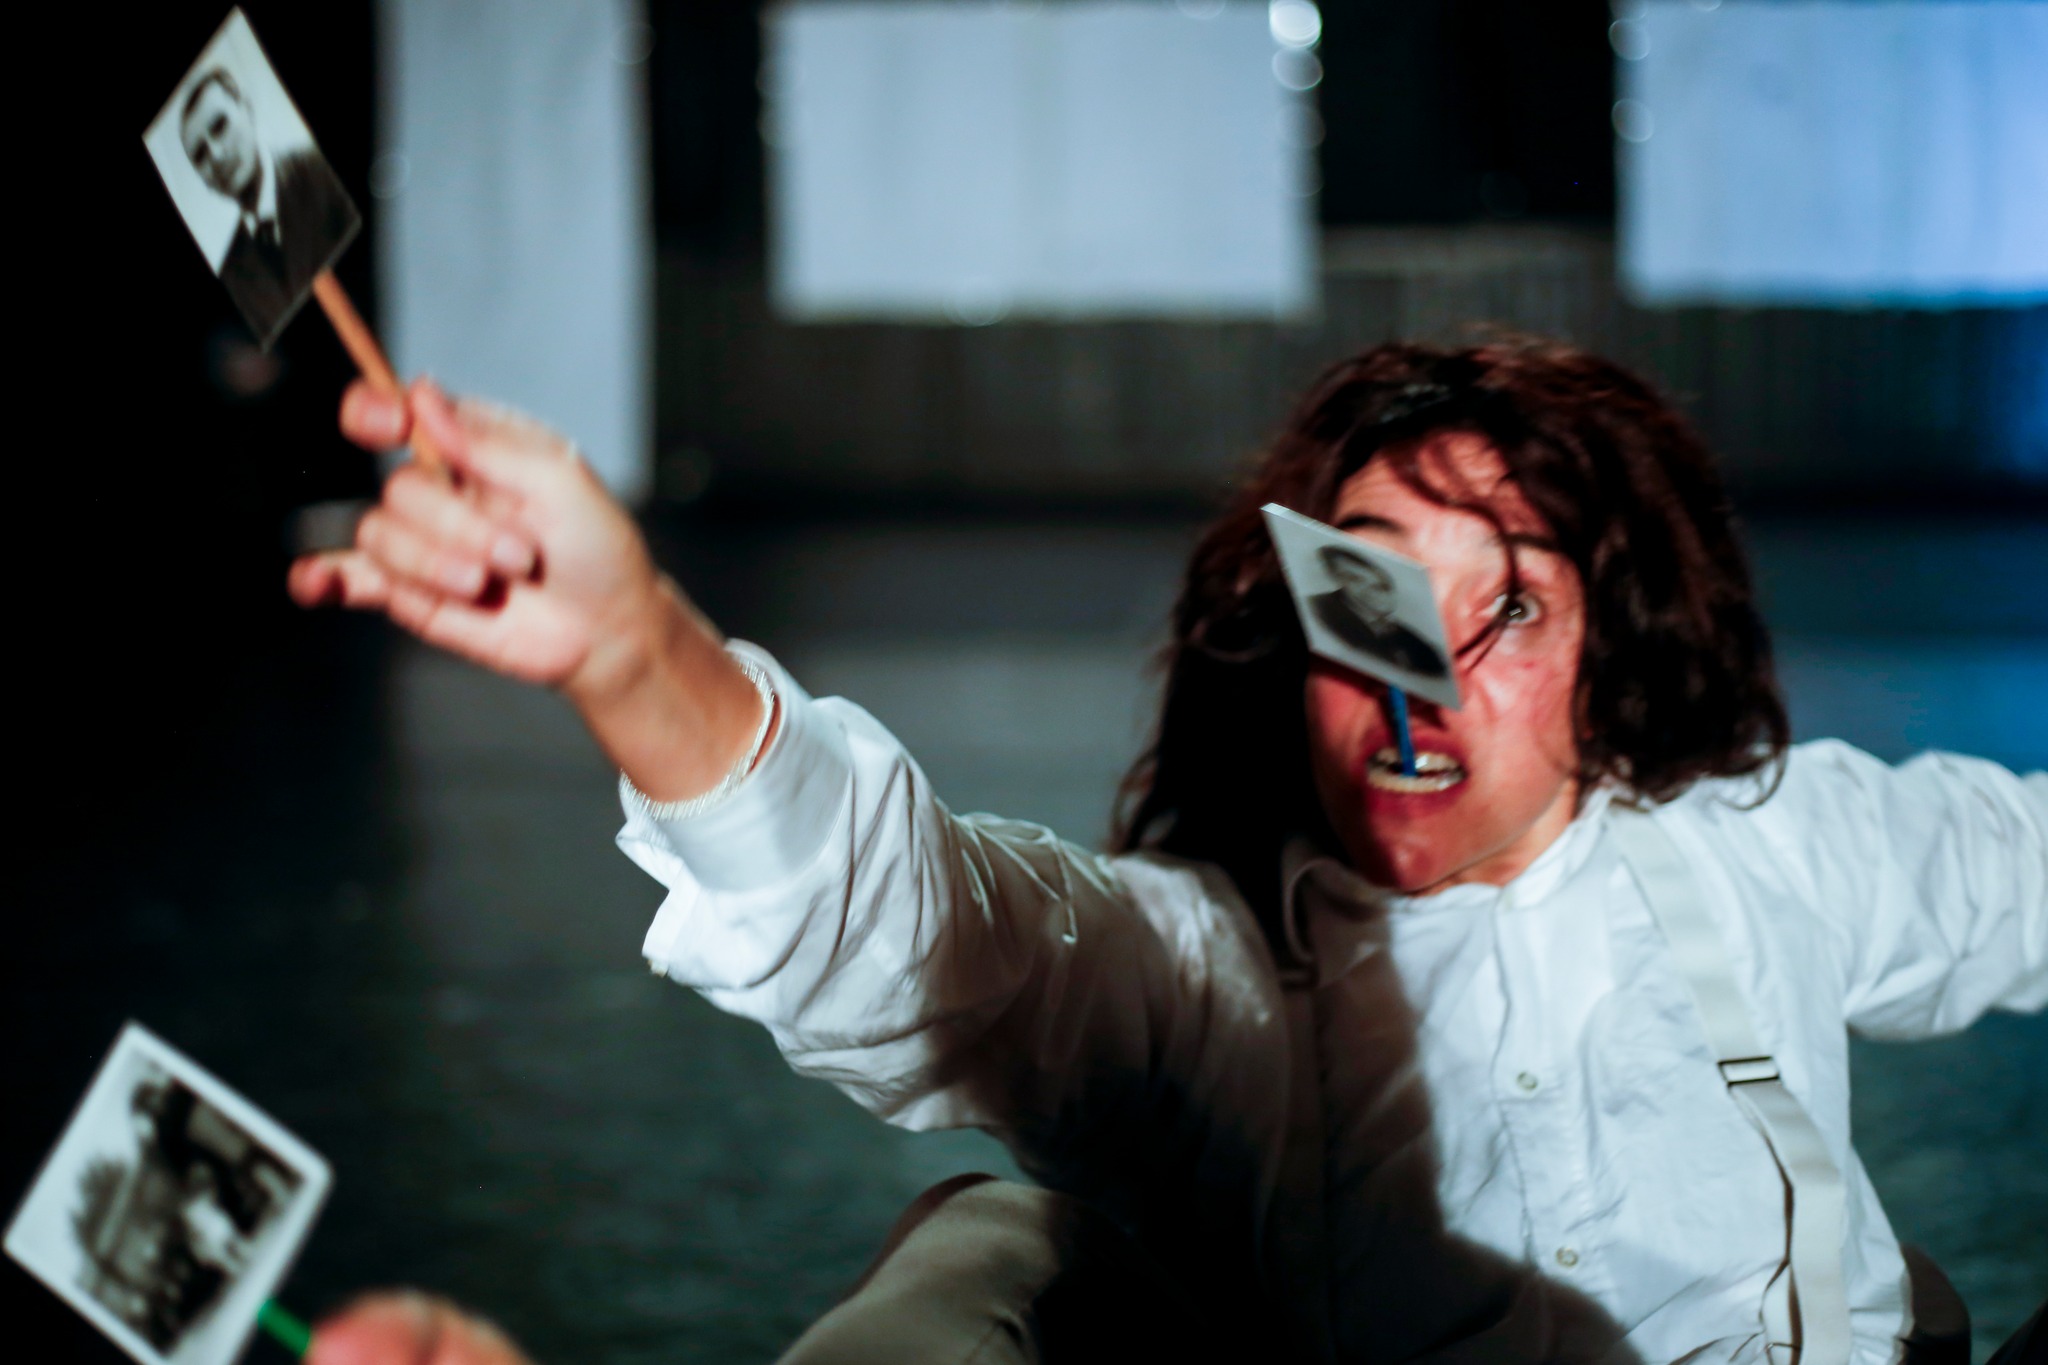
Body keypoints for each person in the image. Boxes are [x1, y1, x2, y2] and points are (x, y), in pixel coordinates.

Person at [289, 340, 2046, 1365]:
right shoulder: (1213, 981)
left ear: (1612, 649)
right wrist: (635, 656)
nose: (1418, 682)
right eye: (1373, 600)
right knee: (985, 1241)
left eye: (1505, 606)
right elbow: (927, 935)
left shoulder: (1773, 845)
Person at [179, 67, 356, 345]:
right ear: (204, 181)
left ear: (247, 108)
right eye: (200, 154)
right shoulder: (232, 275)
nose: (217, 155)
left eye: (220, 126)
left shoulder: (321, 175)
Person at [1308, 542, 1449, 679]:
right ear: (1336, 580)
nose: (1370, 584)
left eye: (1381, 585)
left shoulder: (1411, 639)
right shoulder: (1318, 611)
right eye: (1354, 578)